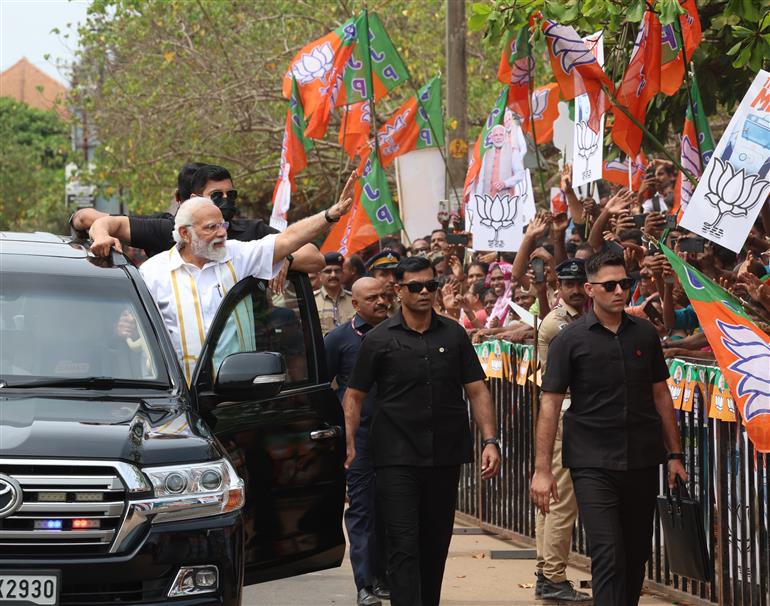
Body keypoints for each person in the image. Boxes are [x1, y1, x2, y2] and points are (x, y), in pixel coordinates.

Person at [531, 250, 688, 606]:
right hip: (591, 462)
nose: (620, 291)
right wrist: (542, 470)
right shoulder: (569, 340)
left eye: (625, 283)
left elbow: (661, 394)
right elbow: (550, 403)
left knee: (635, 555)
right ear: (590, 289)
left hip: (642, 459)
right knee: (608, 552)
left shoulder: (645, 335)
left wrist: (675, 454)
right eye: (610, 285)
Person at [342, 256, 502, 606]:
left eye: (431, 285)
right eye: (415, 287)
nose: (425, 292)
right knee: (402, 543)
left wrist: (490, 440)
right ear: (398, 291)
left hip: (444, 455)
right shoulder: (379, 339)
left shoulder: (454, 334)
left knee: (435, 542)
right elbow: (354, 395)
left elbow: (477, 389)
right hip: (395, 457)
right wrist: (350, 442)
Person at [139, 174, 355, 381]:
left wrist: (330, 215)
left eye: (222, 225)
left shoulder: (237, 255)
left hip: (236, 396)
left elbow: (288, 239)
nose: (222, 233)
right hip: (179, 400)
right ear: (185, 233)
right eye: (211, 228)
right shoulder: (152, 273)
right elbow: (138, 332)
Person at [73, 163, 325, 276]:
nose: (226, 200)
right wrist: (103, 235)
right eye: (217, 195)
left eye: (231, 194)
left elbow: (314, 257)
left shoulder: (251, 232)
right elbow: (104, 222)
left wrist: (283, 258)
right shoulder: (166, 232)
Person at [325, 277, 391, 606]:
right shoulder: (339, 339)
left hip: (397, 438)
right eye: (373, 298)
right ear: (356, 304)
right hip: (359, 439)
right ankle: (364, 584)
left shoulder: (401, 333)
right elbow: (322, 388)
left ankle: (385, 577)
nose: (381, 301)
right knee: (362, 511)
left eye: (384, 295)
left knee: (393, 510)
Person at [533, 259, 591, 603]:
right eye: (569, 284)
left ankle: (546, 572)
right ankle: (553, 576)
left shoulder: (579, 318)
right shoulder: (560, 324)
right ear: (560, 287)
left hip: (568, 414)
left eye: (580, 283)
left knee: (553, 500)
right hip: (566, 413)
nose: (575, 289)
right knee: (561, 502)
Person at [475, 123, 525, 199]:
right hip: (487, 199)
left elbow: (520, 174)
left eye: (501, 135)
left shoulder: (513, 151)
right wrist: (478, 197)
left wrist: (505, 183)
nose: (498, 138)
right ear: (491, 138)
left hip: (505, 199)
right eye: (496, 135)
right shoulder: (487, 153)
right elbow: (481, 178)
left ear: (505, 137)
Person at [315, 252, 356, 336]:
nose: (333, 275)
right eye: (328, 271)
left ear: (343, 274)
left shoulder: (354, 299)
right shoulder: (312, 300)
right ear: (319, 275)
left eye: (337, 271)